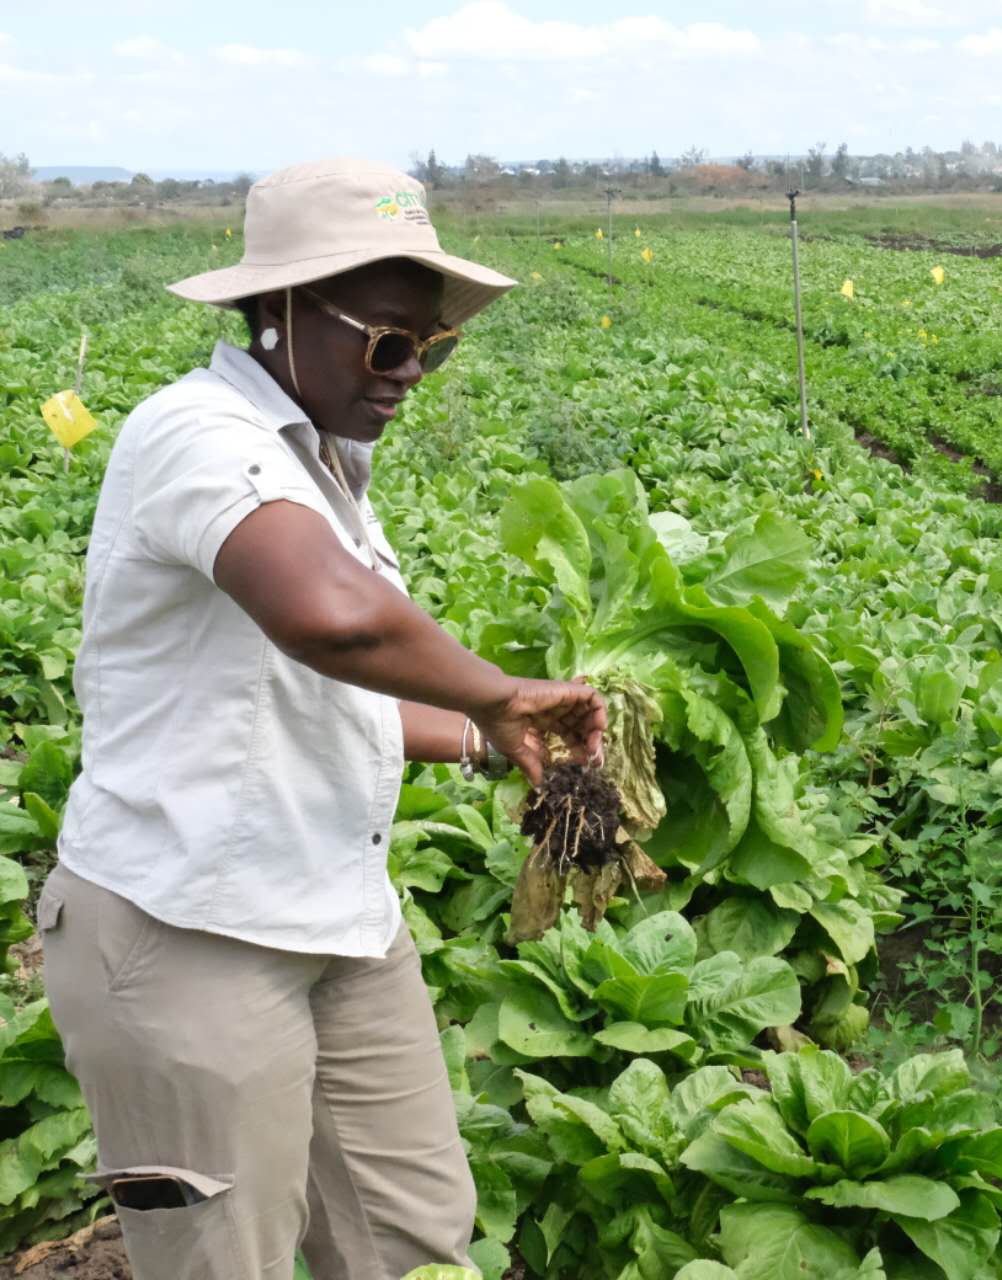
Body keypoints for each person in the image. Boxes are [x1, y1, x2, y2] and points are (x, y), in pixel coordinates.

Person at [40, 158, 606, 1278]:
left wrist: (490, 740)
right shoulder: (195, 435)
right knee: (223, 1259)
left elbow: (315, 697)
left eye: (431, 346)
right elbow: (330, 619)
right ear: (278, 308)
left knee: (415, 1238)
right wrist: (497, 686)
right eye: (390, 340)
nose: (411, 372)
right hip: (185, 928)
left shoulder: (328, 462)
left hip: (341, 915)